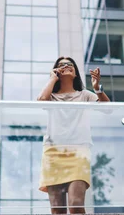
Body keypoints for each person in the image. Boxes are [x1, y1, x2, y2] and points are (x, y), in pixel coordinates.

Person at [37, 56, 110, 214]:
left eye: (70, 64)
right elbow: (42, 100)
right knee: (57, 209)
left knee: (76, 205)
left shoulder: (84, 95)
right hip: (53, 153)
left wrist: (97, 87)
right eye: (61, 65)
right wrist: (52, 79)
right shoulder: (51, 95)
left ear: (76, 72)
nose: (66, 66)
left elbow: (107, 108)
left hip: (79, 152)